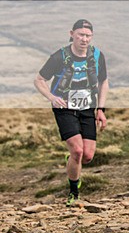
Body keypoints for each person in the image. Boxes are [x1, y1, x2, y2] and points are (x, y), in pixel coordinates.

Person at [34, 19, 108, 206]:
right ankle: (74, 193)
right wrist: (52, 98)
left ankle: (72, 160)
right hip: (64, 108)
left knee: (88, 156)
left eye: (88, 35)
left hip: (87, 108)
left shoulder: (97, 56)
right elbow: (39, 79)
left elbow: (103, 82)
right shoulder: (59, 57)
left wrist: (101, 109)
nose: (84, 39)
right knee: (77, 150)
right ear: (71, 34)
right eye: (80, 35)